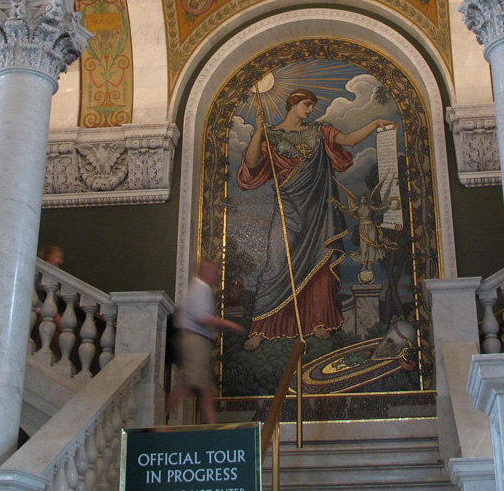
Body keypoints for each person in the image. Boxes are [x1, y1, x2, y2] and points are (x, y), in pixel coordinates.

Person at [238, 88, 395, 350]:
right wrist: (258, 132)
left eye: (312, 105)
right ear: (292, 104)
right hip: (287, 210)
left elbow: (349, 140)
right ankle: (263, 325)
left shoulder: (320, 132)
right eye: (307, 104)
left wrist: (375, 123)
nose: (311, 110)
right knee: (276, 264)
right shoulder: (272, 135)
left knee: (319, 265)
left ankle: (319, 320)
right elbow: (252, 164)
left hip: (318, 211)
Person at [166, 259, 244, 424]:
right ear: (206, 273)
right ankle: (160, 418)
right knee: (197, 388)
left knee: (199, 388)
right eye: (214, 272)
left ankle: (211, 428)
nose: (216, 276)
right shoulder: (200, 289)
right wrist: (228, 323)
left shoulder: (198, 288)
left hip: (194, 340)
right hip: (195, 341)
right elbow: (202, 318)